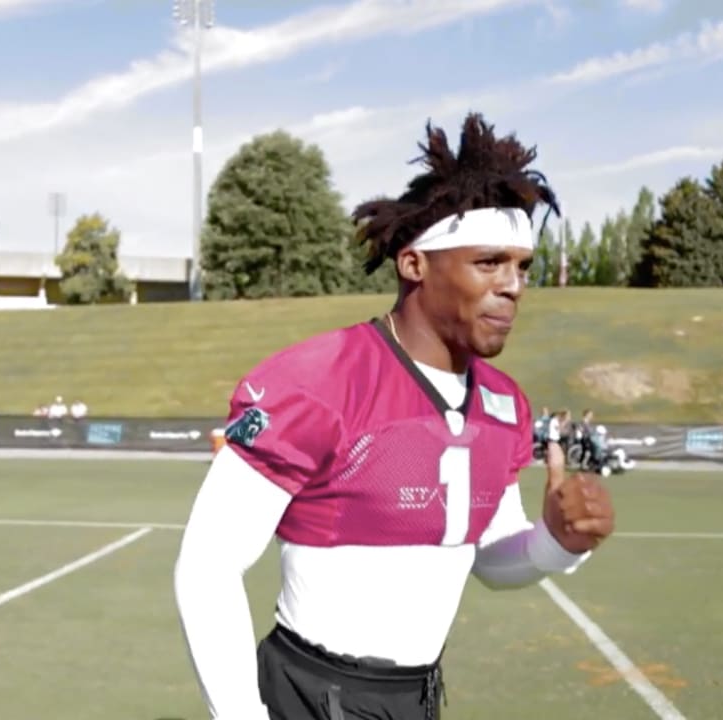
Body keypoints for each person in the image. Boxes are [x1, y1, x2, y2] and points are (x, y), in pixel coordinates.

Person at [173, 114, 616, 720]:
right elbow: (207, 565)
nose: (513, 286)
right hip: (309, 692)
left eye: (523, 267)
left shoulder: (504, 403)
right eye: (489, 262)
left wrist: (556, 544)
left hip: (418, 697)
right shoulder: (320, 379)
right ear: (414, 265)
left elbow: (491, 559)